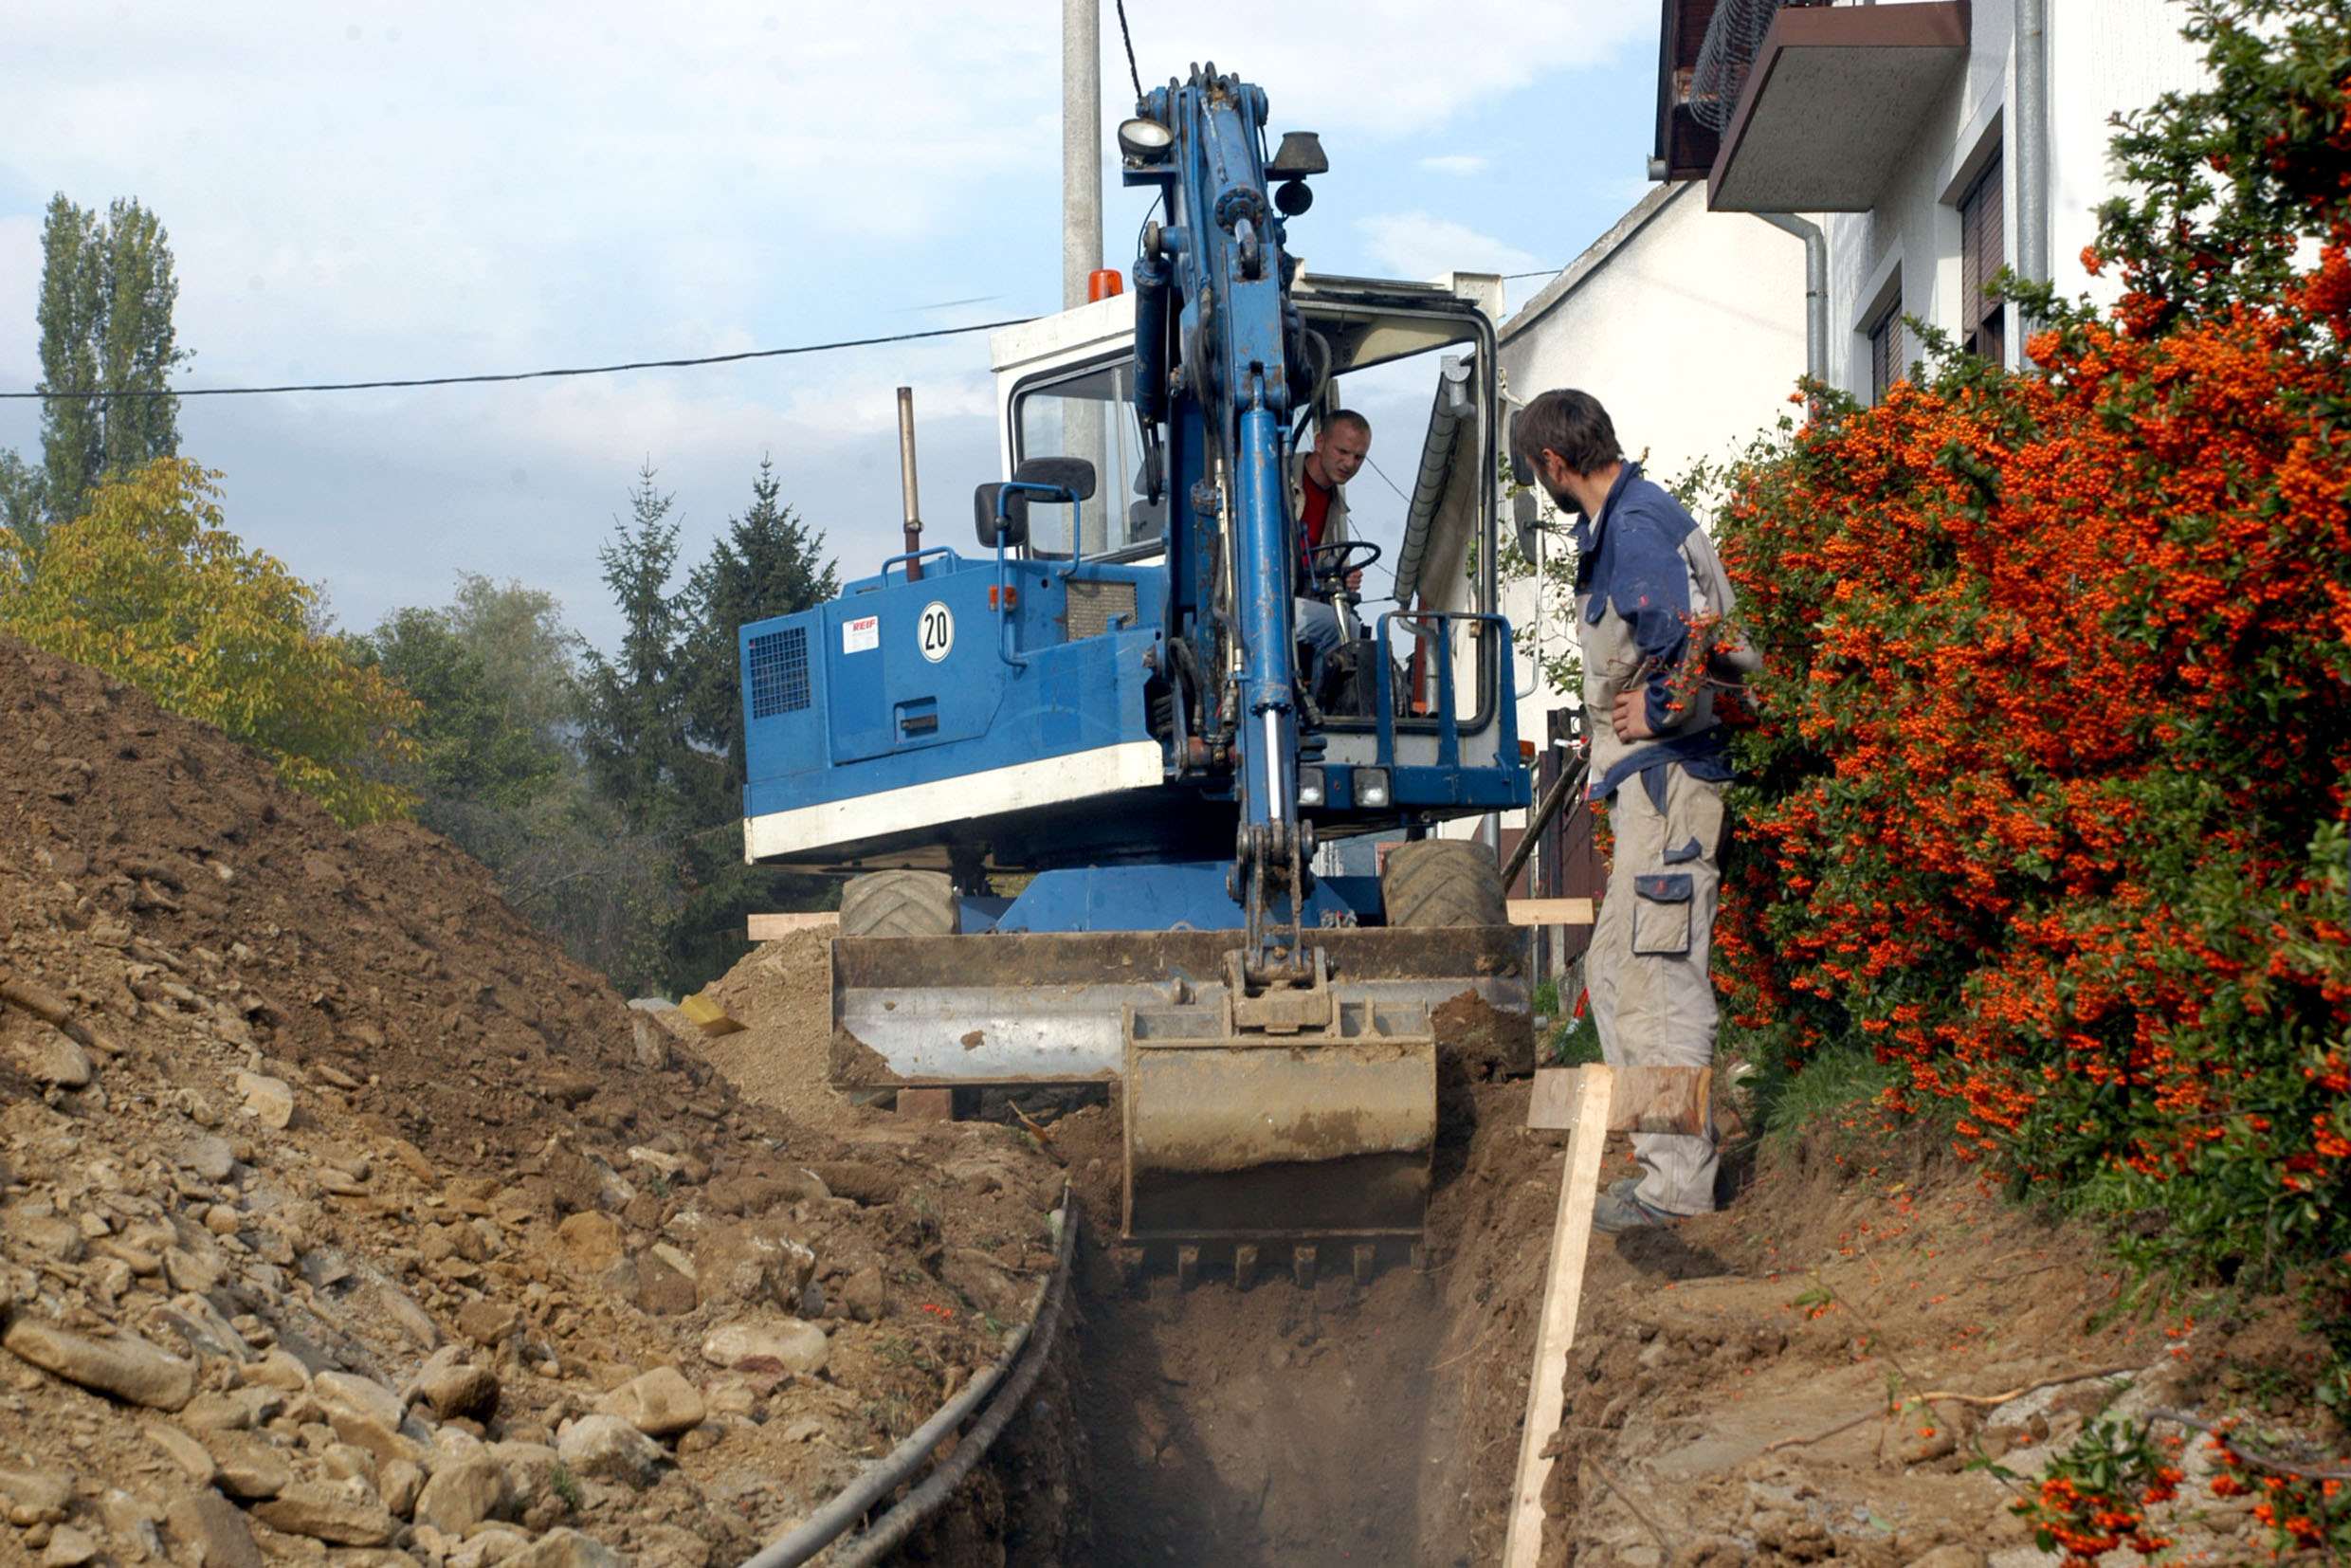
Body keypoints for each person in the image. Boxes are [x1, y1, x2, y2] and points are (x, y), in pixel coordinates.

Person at [1514, 388, 1745, 1234]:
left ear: (1552, 464)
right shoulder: (1628, 521)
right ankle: (1663, 1159)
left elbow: (1692, 636)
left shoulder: (1636, 525)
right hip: (1650, 789)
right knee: (1614, 972)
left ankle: (1677, 1183)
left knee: (1658, 982)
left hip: (1671, 786)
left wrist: (1657, 710)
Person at [1289, 410, 1371, 670]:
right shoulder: (1279, 478)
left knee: (1355, 627)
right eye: (1343, 452)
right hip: (1266, 601)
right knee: (1344, 627)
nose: (1350, 464)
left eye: (1358, 457)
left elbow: (1311, 564)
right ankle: (1317, 707)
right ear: (1320, 442)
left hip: (1297, 600)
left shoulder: (1334, 504)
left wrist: (1340, 573)